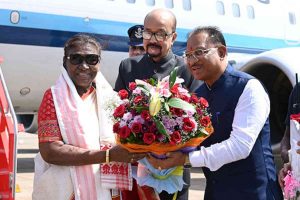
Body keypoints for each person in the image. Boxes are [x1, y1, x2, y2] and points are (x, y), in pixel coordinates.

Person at [147, 26, 283, 200]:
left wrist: (185, 159)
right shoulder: (198, 96)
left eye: (199, 52)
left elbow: (240, 146)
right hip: (215, 192)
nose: (192, 61)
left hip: (253, 192)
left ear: (221, 52)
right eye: (188, 56)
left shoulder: (248, 88)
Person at [32, 33, 146, 200]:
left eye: (91, 59)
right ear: (65, 62)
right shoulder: (53, 98)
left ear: (99, 63)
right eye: (76, 58)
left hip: (107, 190)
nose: (84, 66)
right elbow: (50, 151)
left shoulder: (111, 100)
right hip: (67, 191)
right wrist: (108, 156)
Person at [114, 8, 200, 200]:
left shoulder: (187, 70)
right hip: (135, 168)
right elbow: (116, 113)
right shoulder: (128, 66)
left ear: (173, 36)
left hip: (173, 168)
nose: (152, 39)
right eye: (148, 32)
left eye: (160, 33)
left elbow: (197, 119)